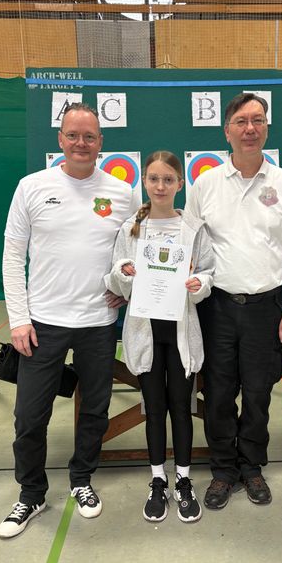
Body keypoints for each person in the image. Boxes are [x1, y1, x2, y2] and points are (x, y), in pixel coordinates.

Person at [0, 103, 140, 538]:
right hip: (43, 323)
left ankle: (82, 479)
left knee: (95, 409)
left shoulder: (122, 193)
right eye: (73, 135)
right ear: (60, 139)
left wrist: (125, 287)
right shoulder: (31, 187)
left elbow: (135, 254)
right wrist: (19, 319)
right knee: (29, 417)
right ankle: (31, 494)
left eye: (90, 136)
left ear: (101, 143)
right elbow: (12, 255)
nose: (81, 143)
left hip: (99, 321)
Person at [186, 93, 282, 510]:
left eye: (258, 120)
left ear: (267, 129)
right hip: (216, 308)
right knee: (219, 395)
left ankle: (252, 466)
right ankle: (223, 471)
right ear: (227, 131)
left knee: (258, 394)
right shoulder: (205, 184)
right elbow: (188, 247)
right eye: (241, 121)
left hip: (266, 309)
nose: (250, 128)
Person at [106, 151, 214, 523]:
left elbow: (209, 272)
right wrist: (124, 271)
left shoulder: (194, 228)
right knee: (153, 408)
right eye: (154, 178)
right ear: (145, 182)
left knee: (182, 408)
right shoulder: (131, 228)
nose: (161, 186)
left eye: (168, 179)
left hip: (181, 331)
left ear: (180, 184)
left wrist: (200, 283)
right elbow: (116, 274)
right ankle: (157, 479)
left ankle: (183, 479)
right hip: (145, 331)